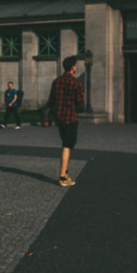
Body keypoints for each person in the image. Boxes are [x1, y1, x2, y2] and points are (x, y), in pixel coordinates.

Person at [48, 56, 85, 187]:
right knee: (67, 146)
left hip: (60, 118)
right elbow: (81, 103)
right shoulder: (76, 83)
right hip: (71, 118)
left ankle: (66, 172)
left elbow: (51, 101)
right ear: (73, 66)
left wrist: (48, 116)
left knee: (65, 144)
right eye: (75, 65)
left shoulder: (56, 81)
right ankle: (62, 177)